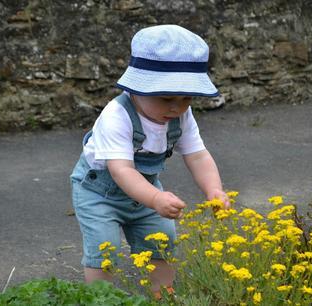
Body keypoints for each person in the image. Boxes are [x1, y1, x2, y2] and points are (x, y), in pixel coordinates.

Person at [70, 24, 229, 296]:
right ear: (136, 87)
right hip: (99, 193)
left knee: (163, 241)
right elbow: (121, 171)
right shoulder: (116, 116)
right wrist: (156, 199)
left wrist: (214, 189)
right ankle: (100, 299)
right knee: (103, 248)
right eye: (166, 97)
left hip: (145, 188)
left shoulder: (180, 116)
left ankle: (162, 295)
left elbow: (198, 155)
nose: (176, 107)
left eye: (187, 98)